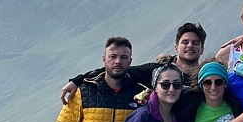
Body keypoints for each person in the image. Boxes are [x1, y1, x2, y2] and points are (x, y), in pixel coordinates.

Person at [60, 22, 207, 103]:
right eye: (185, 42)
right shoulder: (156, 71)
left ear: (202, 49)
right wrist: (77, 80)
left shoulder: (208, 78)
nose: (190, 46)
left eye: (195, 43)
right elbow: (117, 68)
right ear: (176, 47)